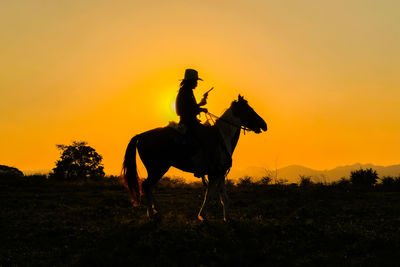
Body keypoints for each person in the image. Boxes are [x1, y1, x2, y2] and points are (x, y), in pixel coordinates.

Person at [175, 69, 214, 177]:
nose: (196, 83)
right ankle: (199, 165)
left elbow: (191, 107)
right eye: (195, 81)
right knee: (204, 138)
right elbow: (186, 110)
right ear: (191, 81)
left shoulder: (186, 91)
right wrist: (200, 108)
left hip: (190, 120)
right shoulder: (185, 92)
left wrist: (201, 104)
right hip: (188, 122)